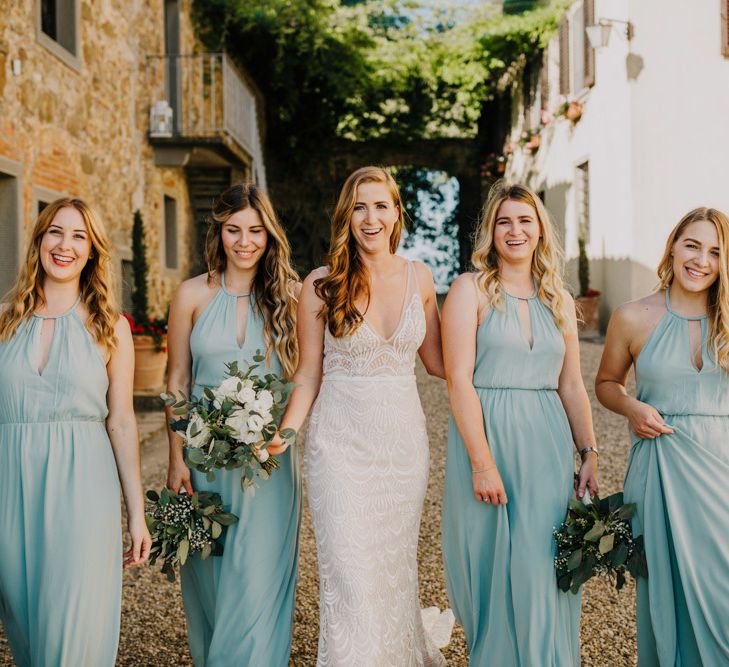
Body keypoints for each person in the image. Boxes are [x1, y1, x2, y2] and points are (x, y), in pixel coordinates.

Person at [272, 166, 447, 665]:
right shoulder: (321, 285)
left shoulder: (421, 277)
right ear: (346, 217)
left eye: (381, 206)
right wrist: (285, 433)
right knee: (348, 571)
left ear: (397, 214)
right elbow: (308, 375)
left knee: (392, 567)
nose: (371, 218)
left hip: (402, 446)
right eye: (359, 207)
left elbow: (439, 363)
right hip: (340, 445)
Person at [441, 181, 598, 666]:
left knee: (544, 567)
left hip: (547, 447)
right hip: (491, 442)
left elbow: (571, 384)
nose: (515, 230)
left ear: (539, 230)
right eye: (504, 221)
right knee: (492, 570)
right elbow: (458, 382)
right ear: (490, 230)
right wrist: (482, 462)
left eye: (525, 220)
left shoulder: (559, 299)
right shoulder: (470, 290)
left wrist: (589, 452)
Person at [0, 198, 150, 666]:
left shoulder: (111, 327)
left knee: (72, 629)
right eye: (55, 233)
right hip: (10, 486)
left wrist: (136, 513)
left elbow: (122, 421)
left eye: (79, 237)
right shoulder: (4, 317)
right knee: (26, 628)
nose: (65, 246)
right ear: (39, 241)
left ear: (92, 252)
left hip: (83, 485)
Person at [166, 183, 301, 666]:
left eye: (256, 231)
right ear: (218, 232)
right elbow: (178, 380)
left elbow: (309, 379)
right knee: (213, 582)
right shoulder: (190, 294)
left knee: (259, 581)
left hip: (268, 465)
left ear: (270, 235)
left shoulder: (292, 296)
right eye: (233, 230)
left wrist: (282, 436)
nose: (245, 241)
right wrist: (175, 458)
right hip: (202, 462)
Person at [595, 207, 729, 665]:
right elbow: (607, 384)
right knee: (667, 601)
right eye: (692, 245)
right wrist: (631, 406)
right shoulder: (633, 316)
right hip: (662, 474)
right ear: (673, 245)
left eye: (715, 251)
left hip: (723, 473)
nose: (702, 260)